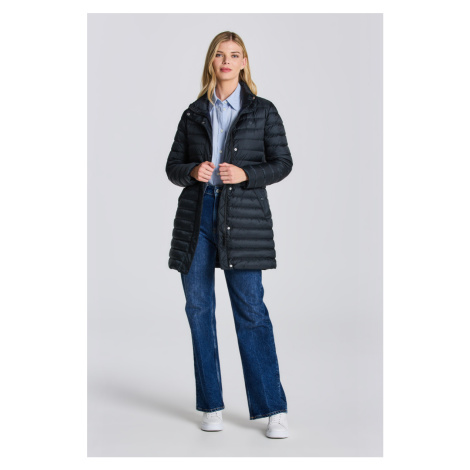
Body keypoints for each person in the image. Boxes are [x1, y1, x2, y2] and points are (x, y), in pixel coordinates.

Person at [165, 31, 293, 439]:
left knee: (251, 311)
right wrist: (191, 171)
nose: (226, 61)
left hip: (242, 217)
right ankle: (211, 405)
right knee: (199, 309)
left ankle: (273, 409)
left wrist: (245, 174)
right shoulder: (193, 113)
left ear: (243, 63)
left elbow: (283, 162)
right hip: (198, 216)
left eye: (234, 55)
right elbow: (172, 167)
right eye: (220, 54)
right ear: (211, 61)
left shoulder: (263, 111)